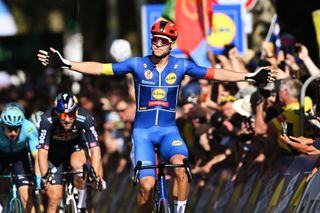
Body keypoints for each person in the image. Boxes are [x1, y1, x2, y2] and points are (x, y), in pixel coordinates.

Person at [37, 20, 276, 213]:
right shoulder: (137, 64)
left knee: (182, 167)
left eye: (163, 40)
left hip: (169, 131)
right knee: (146, 186)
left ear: (172, 44)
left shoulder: (182, 66)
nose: (157, 43)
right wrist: (67, 63)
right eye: (154, 39)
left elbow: (215, 74)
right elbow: (101, 67)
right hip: (142, 134)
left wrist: (251, 76)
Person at [37, 92, 103, 213]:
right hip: (54, 154)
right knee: (54, 199)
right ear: (56, 113)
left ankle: (82, 204)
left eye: (71, 114)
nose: (67, 119)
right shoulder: (47, 120)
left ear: (76, 112)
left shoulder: (86, 118)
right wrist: (45, 176)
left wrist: (95, 174)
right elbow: (42, 151)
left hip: (75, 148)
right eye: (62, 115)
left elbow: (95, 149)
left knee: (78, 166)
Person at [0, 104, 40, 212]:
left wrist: (39, 175)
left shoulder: (29, 128)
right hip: (1, 156)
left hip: (20, 158)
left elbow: (37, 156)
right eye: (9, 129)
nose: (13, 133)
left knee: (26, 197)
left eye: (16, 129)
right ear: (3, 125)